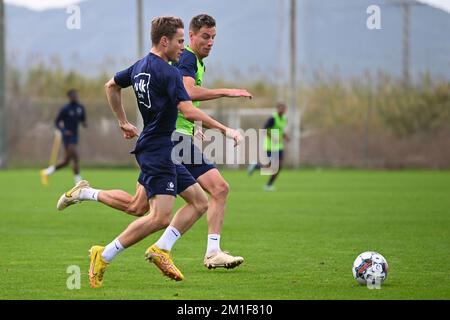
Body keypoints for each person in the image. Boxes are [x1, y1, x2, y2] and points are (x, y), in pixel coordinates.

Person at [57, 16, 243, 288]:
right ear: (164, 41)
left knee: (194, 202)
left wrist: (122, 120)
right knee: (159, 216)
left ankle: (89, 195)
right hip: (159, 150)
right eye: (180, 41)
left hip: (158, 145)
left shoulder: (140, 66)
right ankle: (104, 254)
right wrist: (226, 130)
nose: (183, 48)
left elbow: (111, 85)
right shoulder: (169, 72)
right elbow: (188, 109)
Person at [40, 89, 86, 185]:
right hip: (67, 137)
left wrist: (84, 123)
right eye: (73, 95)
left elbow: (83, 119)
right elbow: (56, 122)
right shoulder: (65, 109)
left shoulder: (80, 107)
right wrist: (64, 131)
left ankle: (46, 172)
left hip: (75, 136)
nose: (75, 96)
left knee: (66, 162)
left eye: (76, 95)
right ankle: (78, 182)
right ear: (69, 97)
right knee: (75, 157)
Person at [247, 102, 289, 191]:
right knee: (272, 167)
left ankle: (269, 185)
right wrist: (272, 137)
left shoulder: (284, 118)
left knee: (279, 166)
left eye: (284, 109)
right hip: (270, 146)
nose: (282, 110)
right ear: (277, 109)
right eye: (280, 108)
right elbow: (264, 129)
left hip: (279, 146)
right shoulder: (273, 118)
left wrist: (285, 137)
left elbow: (281, 130)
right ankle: (256, 166)